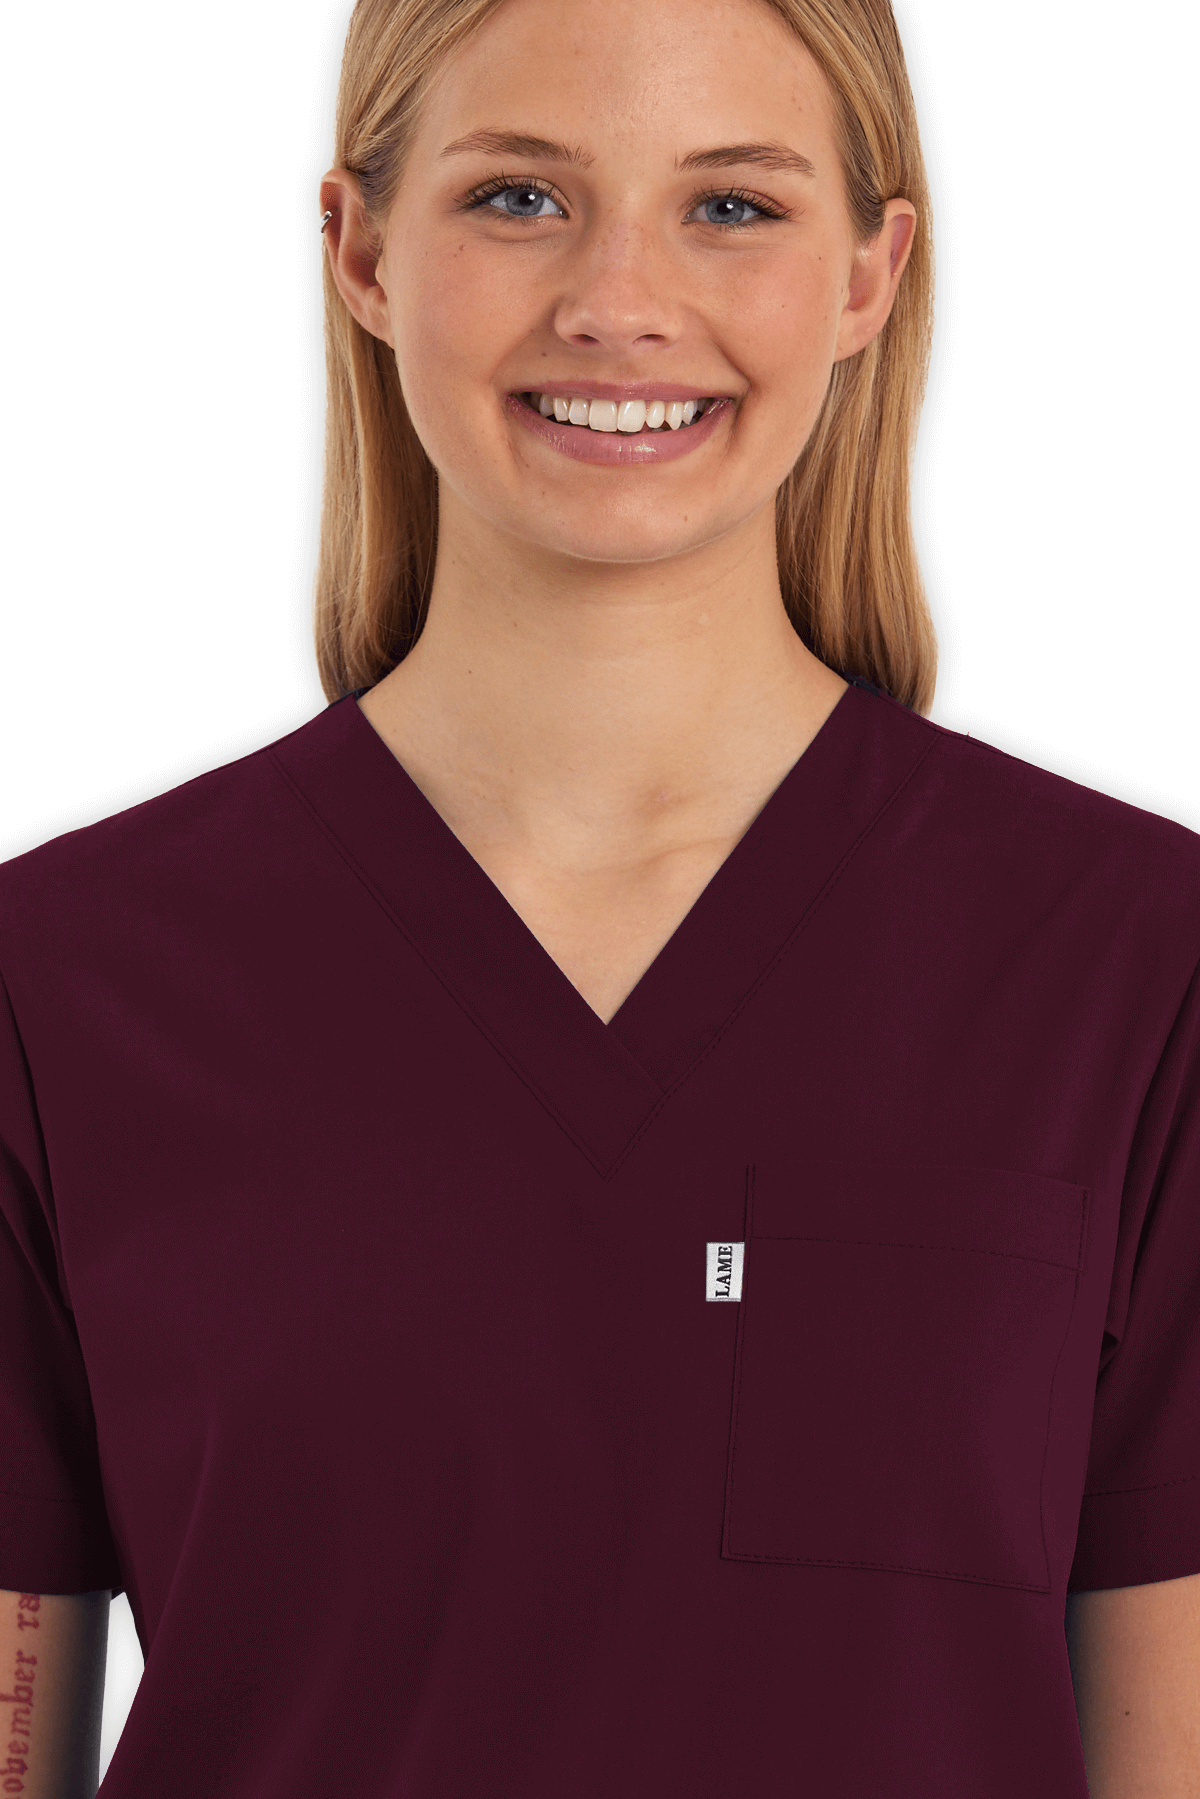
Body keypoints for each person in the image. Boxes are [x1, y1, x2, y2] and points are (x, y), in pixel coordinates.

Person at [1, 0, 1197, 1793]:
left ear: (869, 275)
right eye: (519, 198)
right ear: (361, 252)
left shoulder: (1138, 966)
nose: (618, 302)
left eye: (731, 206)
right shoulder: (58, 984)